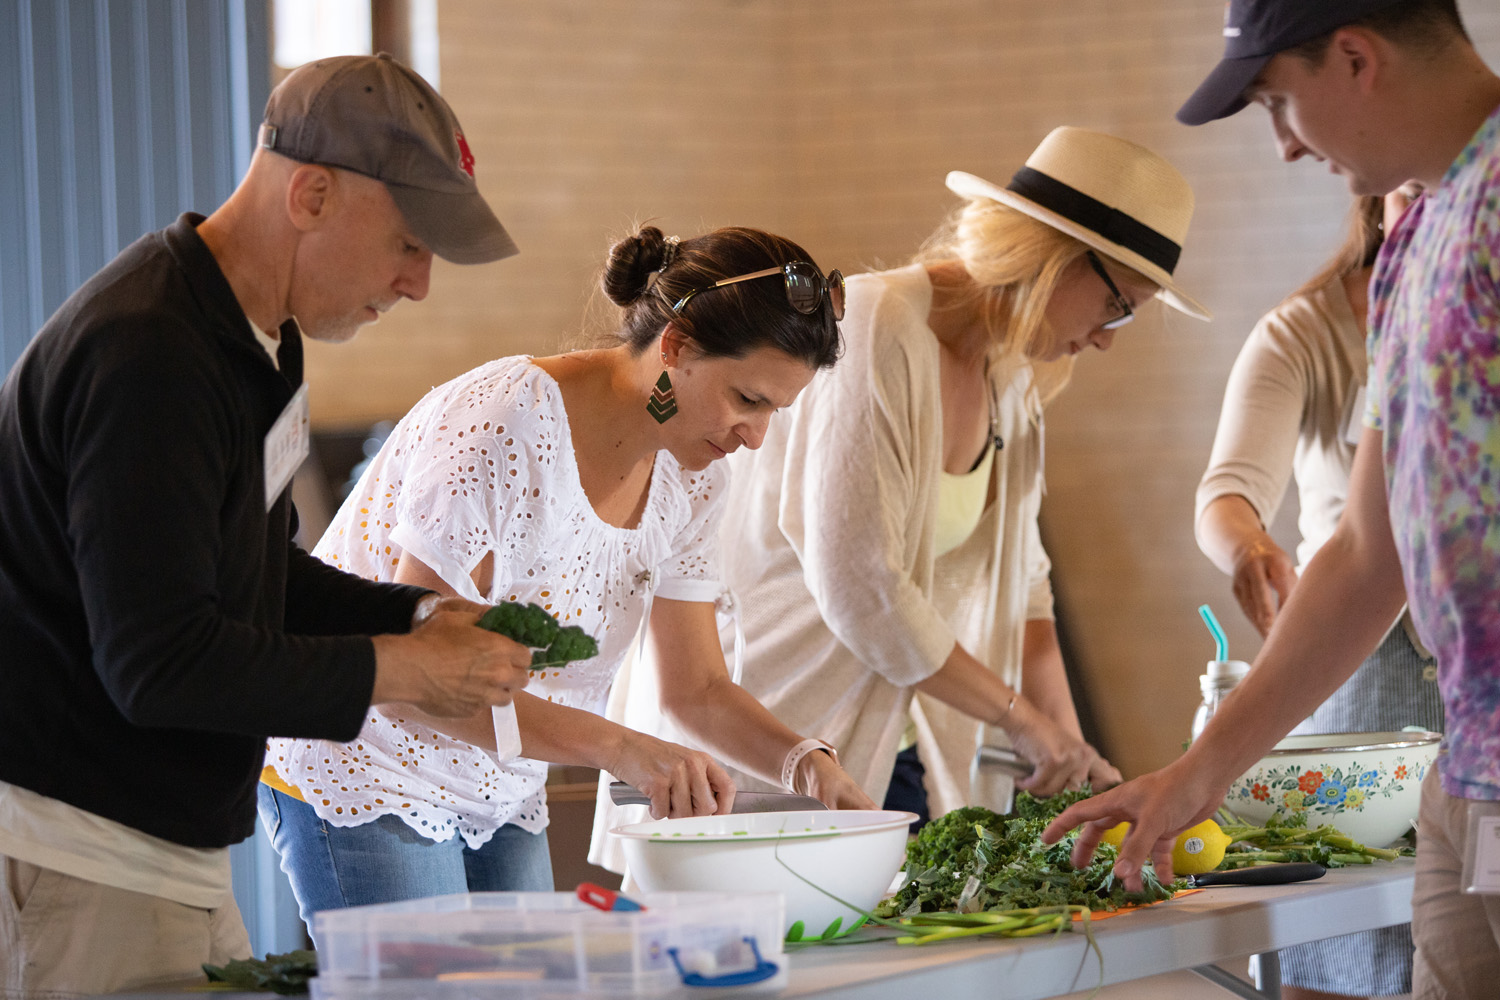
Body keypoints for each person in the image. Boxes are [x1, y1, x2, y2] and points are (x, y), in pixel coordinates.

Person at [0, 55, 535, 995]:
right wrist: (404, 673)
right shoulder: (150, 356)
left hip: (164, 849)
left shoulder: (261, 337)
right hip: (76, 856)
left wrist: (413, 616)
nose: (418, 286)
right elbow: (159, 661)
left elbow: (258, 571)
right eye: (409, 244)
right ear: (314, 195)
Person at [1042, 2, 1500, 997]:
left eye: (1279, 104)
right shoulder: (1416, 239)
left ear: (1354, 57)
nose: (1287, 147)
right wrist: (1197, 771)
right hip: (1471, 776)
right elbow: (1366, 551)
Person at [261, 224, 876, 942]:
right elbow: (419, 683)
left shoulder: (693, 477)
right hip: (371, 763)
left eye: (775, 409)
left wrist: (805, 764)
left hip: (502, 782)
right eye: (748, 398)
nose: (755, 435)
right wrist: (622, 748)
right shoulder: (502, 428)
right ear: (675, 347)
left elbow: (696, 688)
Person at [616, 128, 1211, 831]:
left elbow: (1026, 590)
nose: (1110, 335)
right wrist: (1019, 721)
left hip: (889, 742)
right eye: (1120, 306)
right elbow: (861, 584)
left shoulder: (1012, 375)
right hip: (770, 729)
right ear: (1056, 263)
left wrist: (1076, 759)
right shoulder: (875, 324)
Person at [1197, 187, 1439, 1000]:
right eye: (1409, 188)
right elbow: (1228, 494)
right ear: (1372, 191)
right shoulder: (1302, 333)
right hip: (1354, 673)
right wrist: (1252, 547)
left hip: (1476, 679)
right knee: (1343, 957)